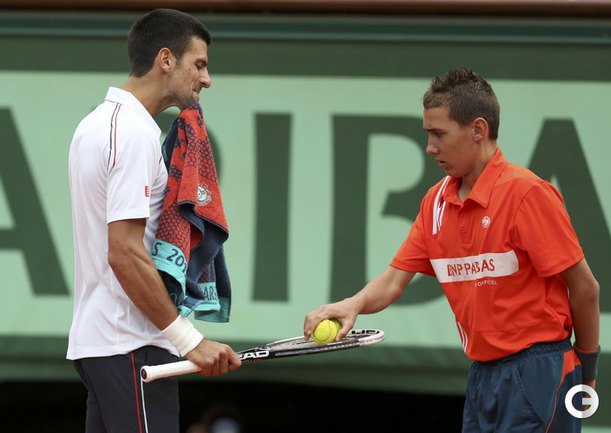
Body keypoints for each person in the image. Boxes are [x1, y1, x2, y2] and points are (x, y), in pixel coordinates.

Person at [304, 67, 600, 432]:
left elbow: (585, 288)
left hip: (540, 371)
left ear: (478, 130)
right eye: (428, 135)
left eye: (438, 134)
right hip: (482, 376)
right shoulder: (435, 202)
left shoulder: (527, 194)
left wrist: (587, 367)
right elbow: (394, 281)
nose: (430, 148)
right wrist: (353, 304)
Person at [67, 9, 241, 433]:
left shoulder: (96, 125)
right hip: (132, 346)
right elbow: (124, 252)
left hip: (109, 345)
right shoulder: (132, 133)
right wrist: (189, 340)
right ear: (166, 60)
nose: (206, 79)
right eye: (199, 64)